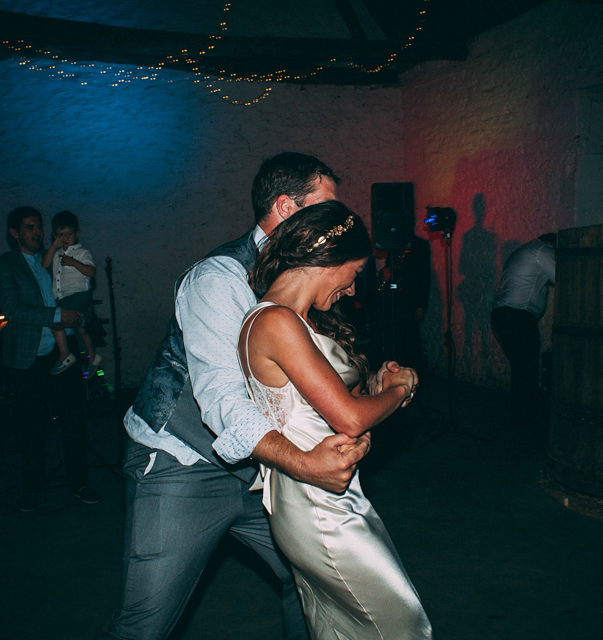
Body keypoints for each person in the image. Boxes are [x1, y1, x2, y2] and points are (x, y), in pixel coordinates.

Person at [103, 152, 408, 640]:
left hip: (263, 470)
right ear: (287, 208)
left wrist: (371, 389)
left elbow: (306, 379)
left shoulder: (303, 275)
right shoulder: (218, 278)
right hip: (182, 465)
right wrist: (306, 464)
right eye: (326, 206)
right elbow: (224, 399)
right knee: (145, 624)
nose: (337, 219)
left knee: (313, 581)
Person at [240, 201, 432, 639]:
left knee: (341, 630)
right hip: (317, 506)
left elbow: (326, 405)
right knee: (403, 626)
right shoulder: (276, 322)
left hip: (326, 496)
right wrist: (400, 390)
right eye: (355, 271)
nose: (351, 288)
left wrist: (376, 390)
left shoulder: (291, 319)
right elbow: (347, 418)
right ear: (327, 260)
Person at [0, 207, 99, 512]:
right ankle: (31, 487)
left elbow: (77, 286)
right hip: (30, 357)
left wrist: (80, 310)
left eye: (39, 226)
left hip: (61, 351)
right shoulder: (4, 265)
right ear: (14, 233)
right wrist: (56, 315)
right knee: (31, 427)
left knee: (74, 421)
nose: (36, 232)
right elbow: (12, 310)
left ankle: (79, 481)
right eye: (28, 228)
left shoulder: (51, 259)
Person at [490, 233, 556, 430]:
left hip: (504, 316)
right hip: (517, 318)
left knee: (522, 371)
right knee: (526, 371)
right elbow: (562, 276)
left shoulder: (525, 250)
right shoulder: (543, 251)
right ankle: (528, 423)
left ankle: (522, 420)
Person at [42, 210, 100, 377]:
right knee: (81, 330)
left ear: (77, 234)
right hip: (63, 297)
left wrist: (74, 262)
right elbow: (45, 264)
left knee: (56, 321)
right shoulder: (56, 253)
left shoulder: (82, 253)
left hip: (78, 295)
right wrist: (54, 247)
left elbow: (91, 272)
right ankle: (93, 357)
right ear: (54, 235)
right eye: (60, 235)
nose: (65, 238)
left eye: (69, 234)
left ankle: (65, 354)